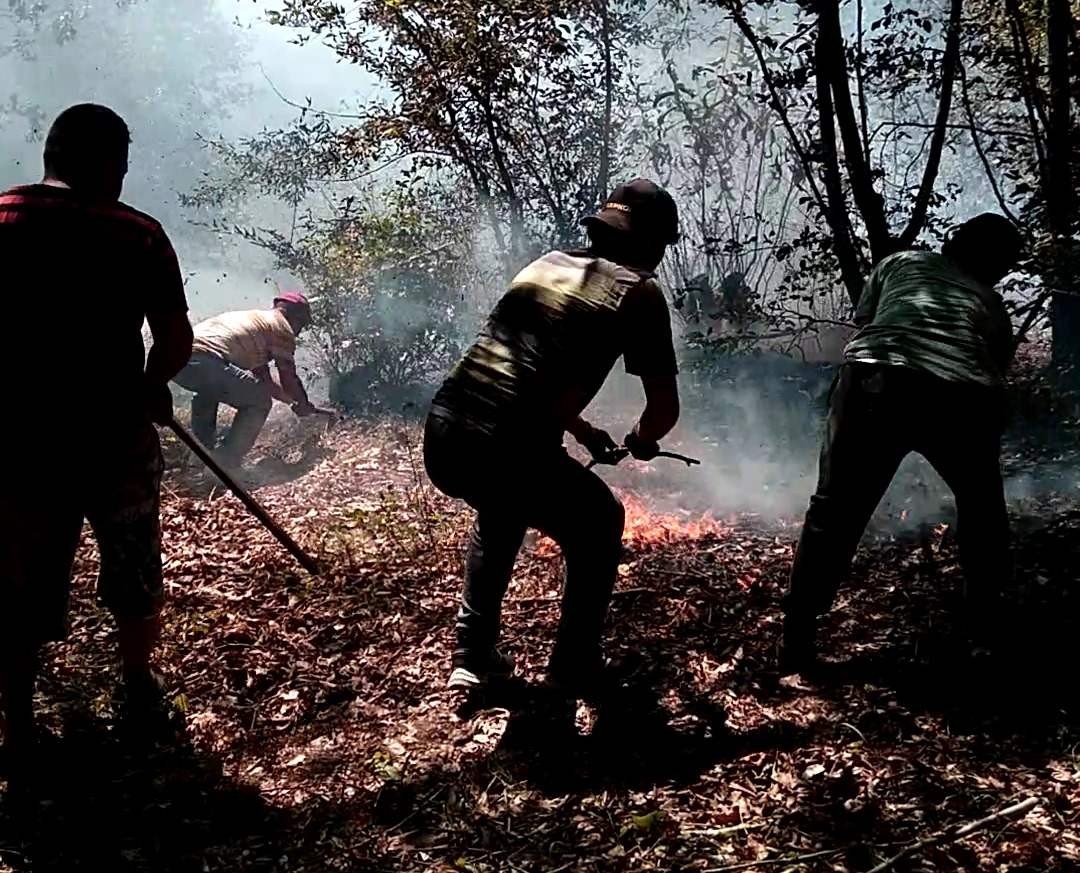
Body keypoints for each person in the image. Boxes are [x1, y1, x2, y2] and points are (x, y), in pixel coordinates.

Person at [424, 178, 682, 699]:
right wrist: (641, 437)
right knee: (601, 520)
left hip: (447, 430)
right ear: (652, 244)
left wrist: (585, 433)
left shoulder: (546, 264)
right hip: (507, 445)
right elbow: (663, 410)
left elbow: (526, 376)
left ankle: (472, 657)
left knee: (501, 510)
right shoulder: (640, 292)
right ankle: (574, 663)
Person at [0, 103, 193, 762]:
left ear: (50, 153)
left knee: (17, 577)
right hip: (116, 439)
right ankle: (138, 692)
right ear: (113, 164)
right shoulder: (140, 235)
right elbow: (174, 338)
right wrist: (149, 384)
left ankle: (17, 724)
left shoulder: (4, 217)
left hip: (19, 444)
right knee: (133, 568)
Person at [780, 213, 1025, 674]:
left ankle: (797, 639)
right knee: (983, 510)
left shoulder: (901, 263)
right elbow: (995, 365)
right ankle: (985, 633)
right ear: (995, 263)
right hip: (963, 399)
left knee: (834, 511)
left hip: (876, 383)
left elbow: (869, 320)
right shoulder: (990, 303)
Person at [172, 293, 318, 468]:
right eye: (302, 324)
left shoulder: (258, 323)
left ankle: (203, 458)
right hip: (206, 360)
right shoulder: (281, 328)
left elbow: (265, 381)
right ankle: (227, 464)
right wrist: (302, 402)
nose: (300, 331)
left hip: (176, 361)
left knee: (208, 394)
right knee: (261, 401)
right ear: (295, 316)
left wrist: (293, 402)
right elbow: (289, 378)